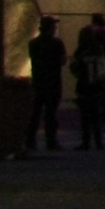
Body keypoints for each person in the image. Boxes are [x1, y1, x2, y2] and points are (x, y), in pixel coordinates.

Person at [72, 19, 105, 151]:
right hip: (97, 87)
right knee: (96, 116)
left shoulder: (80, 52)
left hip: (84, 87)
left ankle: (86, 142)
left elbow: (74, 68)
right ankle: (98, 142)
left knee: (85, 117)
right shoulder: (98, 50)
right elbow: (104, 69)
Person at [28, 15, 67, 151]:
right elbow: (62, 61)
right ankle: (51, 141)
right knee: (51, 113)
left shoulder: (33, 43)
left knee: (35, 113)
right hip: (53, 81)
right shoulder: (57, 43)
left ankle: (30, 140)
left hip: (38, 80)